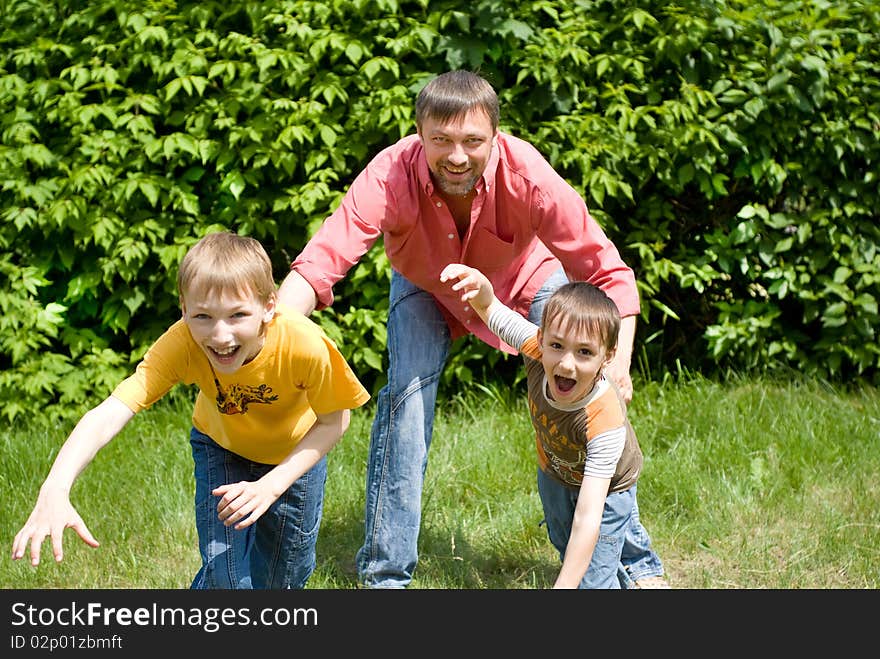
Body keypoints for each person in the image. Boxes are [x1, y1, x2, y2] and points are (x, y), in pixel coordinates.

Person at [278, 69, 666, 588]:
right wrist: (275, 334)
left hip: (525, 278)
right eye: (441, 140)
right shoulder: (390, 174)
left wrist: (617, 366)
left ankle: (636, 567)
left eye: (472, 141)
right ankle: (385, 578)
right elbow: (324, 258)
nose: (456, 156)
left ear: (496, 137)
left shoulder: (527, 173)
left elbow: (607, 271)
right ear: (420, 135)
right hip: (427, 284)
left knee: (595, 392)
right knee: (406, 402)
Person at [11, 231, 371, 589]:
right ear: (183, 309)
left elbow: (334, 420)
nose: (220, 335)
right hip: (222, 449)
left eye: (237, 315)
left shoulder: (304, 345)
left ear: (269, 307)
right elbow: (109, 412)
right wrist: (54, 488)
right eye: (202, 316)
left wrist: (272, 485)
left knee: (283, 579)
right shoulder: (182, 342)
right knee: (224, 579)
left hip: (294, 459)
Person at [440, 263, 665, 588]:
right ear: (542, 339)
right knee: (563, 542)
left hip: (610, 489)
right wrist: (481, 290)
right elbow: (495, 314)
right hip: (555, 473)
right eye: (557, 346)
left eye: (585, 352)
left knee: (593, 579)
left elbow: (590, 517)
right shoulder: (536, 347)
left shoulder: (604, 419)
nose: (566, 363)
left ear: (607, 357)